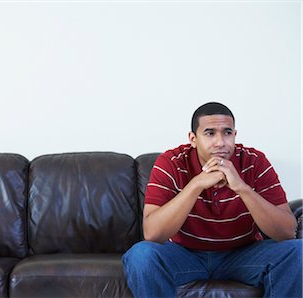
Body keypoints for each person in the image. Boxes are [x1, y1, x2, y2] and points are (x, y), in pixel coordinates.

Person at [123, 102, 302, 297]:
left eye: (227, 133)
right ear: (193, 139)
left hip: (243, 254)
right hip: (185, 255)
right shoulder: (171, 163)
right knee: (140, 255)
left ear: (234, 135)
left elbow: (287, 233)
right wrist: (196, 184)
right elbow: (153, 234)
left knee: (298, 250)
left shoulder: (255, 162)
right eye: (209, 133)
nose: (220, 142)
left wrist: (241, 187)